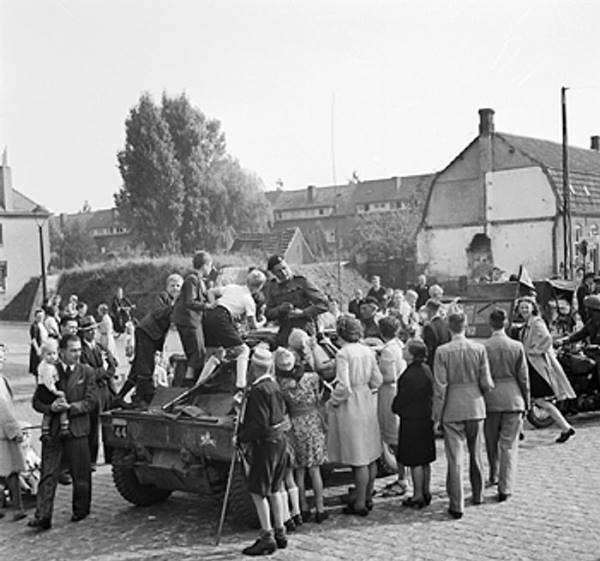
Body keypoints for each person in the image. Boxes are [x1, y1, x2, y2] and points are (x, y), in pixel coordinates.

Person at [28, 334, 97, 531]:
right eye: (73, 350)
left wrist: (70, 407)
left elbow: (91, 402)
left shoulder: (87, 372)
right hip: (54, 432)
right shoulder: (49, 370)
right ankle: (43, 516)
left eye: (79, 350)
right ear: (62, 352)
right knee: (48, 474)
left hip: (77, 430)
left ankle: (80, 510)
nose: (77, 354)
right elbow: (37, 401)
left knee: (81, 474)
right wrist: (51, 408)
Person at [433, 312, 494, 519]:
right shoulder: (479, 348)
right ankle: (478, 495)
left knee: (455, 458)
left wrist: (436, 415)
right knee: (476, 453)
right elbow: (486, 382)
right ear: (466, 326)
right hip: (475, 404)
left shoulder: (442, 352)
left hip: (451, 407)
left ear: (449, 328)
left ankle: (456, 503)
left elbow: (440, 387)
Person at [327, 316, 382, 516]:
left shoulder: (343, 353)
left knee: (359, 456)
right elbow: (378, 379)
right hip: (367, 399)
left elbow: (343, 386)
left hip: (352, 405)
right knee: (371, 453)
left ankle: (359, 502)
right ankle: (367, 496)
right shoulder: (367, 350)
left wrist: (333, 401)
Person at [238, 346, 289, 556]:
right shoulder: (274, 385)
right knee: (275, 488)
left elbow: (259, 424)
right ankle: (280, 530)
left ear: (253, 367)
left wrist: (240, 437)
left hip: (265, 443)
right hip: (279, 440)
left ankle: (266, 535)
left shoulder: (258, 390)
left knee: (258, 490)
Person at [275, 348, 328, 524]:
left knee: (299, 470)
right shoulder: (312, 378)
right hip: (312, 421)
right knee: (315, 469)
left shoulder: (281, 385)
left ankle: (302, 506)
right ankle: (320, 508)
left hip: (295, 423)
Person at [483, 309, 530, 501]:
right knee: (509, 445)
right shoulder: (517, 346)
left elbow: (481, 377)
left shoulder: (484, 347)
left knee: (491, 441)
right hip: (513, 398)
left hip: (491, 399)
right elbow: (524, 378)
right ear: (506, 323)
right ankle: (505, 486)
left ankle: (493, 474)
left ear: (490, 324)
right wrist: (526, 402)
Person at [518, 296, 576, 443]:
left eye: (526, 307)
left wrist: (533, 351)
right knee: (529, 400)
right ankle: (519, 431)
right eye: (521, 307)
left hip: (537, 367)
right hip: (531, 366)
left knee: (539, 401)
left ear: (533, 308)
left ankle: (565, 427)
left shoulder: (536, 322)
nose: (524, 309)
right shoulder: (527, 324)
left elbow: (547, 339)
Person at [118, 273, 183, 405]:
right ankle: (143, 396)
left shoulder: (176, 301)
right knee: (146, 366)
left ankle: (119, 397)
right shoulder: (162, 297)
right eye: (172, 286)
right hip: (147, 332)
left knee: (137, 367)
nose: (175, 288)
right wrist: (175, 306)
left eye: (178, 286)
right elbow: (160, 313)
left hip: (153, 334)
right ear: (166, 287)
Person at [204, 269, 267, 391]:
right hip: (222, 318)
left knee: (218, 352)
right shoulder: (248, 300)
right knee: (243, 350)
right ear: (259, 287)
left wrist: (212, 304)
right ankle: (241, 384)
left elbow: (210, 291)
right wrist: (263, 321)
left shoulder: (232, 287)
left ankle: (199, 383)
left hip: (209, 316)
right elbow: (253, 326)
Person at [392, 339, 436, 509]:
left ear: (411, 354)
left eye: (406, 349)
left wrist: (395, 407)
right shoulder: (426, 369)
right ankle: (426, 491)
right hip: (425, 417)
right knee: (425, 460)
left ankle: (417, 495)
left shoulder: (409, 376)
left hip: (412, 420)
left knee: (415, 460)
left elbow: (403, 399)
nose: (403, 350)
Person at [78, 316, 118, 466]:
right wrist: (104, 370)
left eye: (94, 329)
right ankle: (91, 460)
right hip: (93, 392)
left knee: (108, 424)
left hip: (106, 390)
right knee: (93, 426)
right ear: (83, 333)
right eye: (89, 330)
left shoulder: (100, 346)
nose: (93, 332)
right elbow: (88, 373)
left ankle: (110, 456)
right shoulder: (81, 351)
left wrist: (105, 371)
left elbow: (113, 365)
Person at [264, 255, 329, 347]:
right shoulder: (272, 288)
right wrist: (280, 309)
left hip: (305, 331)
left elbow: (324, 304)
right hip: (285, 333)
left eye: (284, 268)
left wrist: (303, 312)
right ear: (273, 273)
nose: (283, 272)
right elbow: (268, 314)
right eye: (279, 271)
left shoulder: (301, 282)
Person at [377, 316, 408, 497]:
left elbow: (388, 376)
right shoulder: (397, 345)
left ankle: (402, 477)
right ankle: (403, 475)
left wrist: (374, 372)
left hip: (389, 392)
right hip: (396, 390)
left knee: (393, 436)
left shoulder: (389, 351)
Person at [173, 251, 213, 381]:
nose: (211, 269)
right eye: (210, 266)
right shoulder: (192, 279)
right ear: (205, 265)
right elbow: (190, 301)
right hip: (189, 320)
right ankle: (189, 382)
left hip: (193, 320)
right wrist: (207, 306)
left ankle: (191, 380)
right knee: (196, 353)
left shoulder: (199, 280)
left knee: (199, 352)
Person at [0, 343, 27, 522]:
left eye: (2, 357)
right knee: (12, 471)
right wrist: (15, 431)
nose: (1, 361)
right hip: (3, 434)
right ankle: (18, 508)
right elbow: (4, 409)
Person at [36, 340, 69, 439]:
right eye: (48, 354)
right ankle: (64, 427)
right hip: (48, 390)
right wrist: (55, 392)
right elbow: (48, 381)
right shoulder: (48, 367)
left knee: (48, 414)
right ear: (43, 355)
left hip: (44, 389)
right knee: (62, 404)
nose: (52, 356)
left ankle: (45, 431)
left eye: (54, 353)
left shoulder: (45, 364)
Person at [422, 299, 451, 367]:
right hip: (446, 360)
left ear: (429, 311)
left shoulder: (429, 327)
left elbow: (429, 349)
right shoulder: (447, 324)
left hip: (434, 362)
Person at [29, 309, 48, 376]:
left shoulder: (42, 325)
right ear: (35, 316)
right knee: (38, 368)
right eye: (39, 316)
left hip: (44, 347)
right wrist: (38, 350)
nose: (40, 318)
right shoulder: (34, 326)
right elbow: (33, 339)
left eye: (42, 316)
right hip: (39, 348)